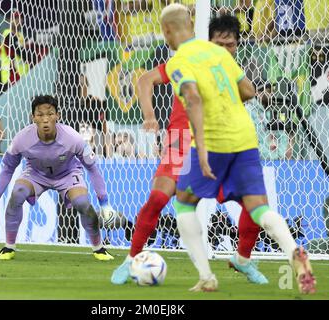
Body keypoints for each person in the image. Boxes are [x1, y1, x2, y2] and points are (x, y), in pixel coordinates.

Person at [160, 3, 315, 293]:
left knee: (183, 201)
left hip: (214, 139)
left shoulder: (179, 61)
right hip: (244, 137)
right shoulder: (220, 54)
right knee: (259, 207)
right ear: (191, 26)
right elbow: (248, 90)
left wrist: (202, 148)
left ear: (167, 31)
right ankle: (295, 252)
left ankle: (207, 277)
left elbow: (192, 98)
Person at [111, 14, 268, 286]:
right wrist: (149, 115)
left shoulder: (233, 75)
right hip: (180, 140)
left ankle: (243, 259)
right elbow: (145, 80)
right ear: (209, 42)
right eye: (218, 43)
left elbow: (248, 95)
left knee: (256, 207)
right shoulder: (186, 62)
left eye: (229, 45)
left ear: (237, 46)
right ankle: (130, 259)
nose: (224, 50)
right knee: (159, 199)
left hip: (219, 144)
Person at [0, 95, 117, 261]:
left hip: (68, 173)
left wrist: (105, 204)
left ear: (58, 116)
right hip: (36, 174)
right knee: (17, 193)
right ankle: (9, 247)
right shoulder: (21, 139)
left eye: (50, 114)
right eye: (40, 115)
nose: (45, 119)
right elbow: (7, 169)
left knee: (82, 203)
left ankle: (99, 249)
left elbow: (92, 168)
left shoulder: (73, 138)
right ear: (33, 118)